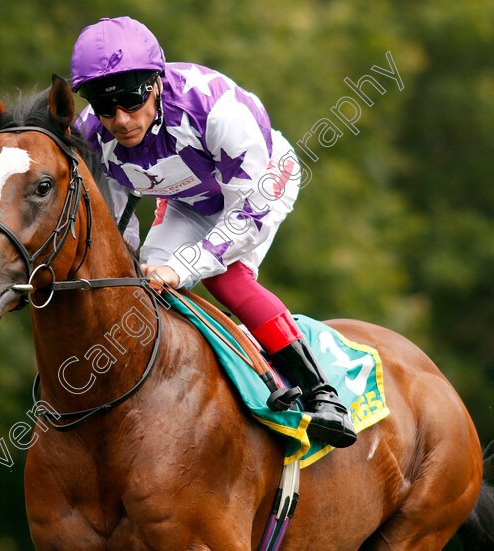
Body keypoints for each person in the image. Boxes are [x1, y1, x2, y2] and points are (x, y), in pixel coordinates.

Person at [70, 16, 357, 448]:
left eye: (131, 101)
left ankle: (323, 394)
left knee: (225, 279)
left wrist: (183, 268)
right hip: (188, 197)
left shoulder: (218, 111)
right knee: (140, 285)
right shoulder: (92, 133)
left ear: (156, 84)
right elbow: (116, 221)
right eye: (106, 107)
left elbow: (245, 217)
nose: (122, 120)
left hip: (257, 188)